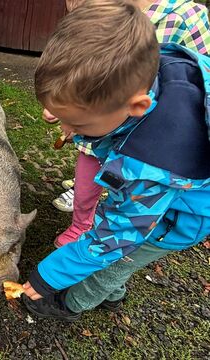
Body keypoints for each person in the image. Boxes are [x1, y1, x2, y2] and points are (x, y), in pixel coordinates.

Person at [22, 0, 210, 320]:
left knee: (122, 258)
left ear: (137, 106)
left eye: (79, 125)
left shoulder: (151, 165)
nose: (68, 131)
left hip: (180, 218)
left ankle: (73, 304)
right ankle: (104, 288)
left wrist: (46, 278)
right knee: (119, 243)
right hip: (164, 189)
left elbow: (113, 239)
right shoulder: (152, 63)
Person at [50, 0, 210, 248]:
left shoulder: (186, 16)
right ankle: (82, 224)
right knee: (92, 176)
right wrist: (68, 107)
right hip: (105, 124)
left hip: (149, 136)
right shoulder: (103, 12)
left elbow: (201, 68)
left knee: (128, 197)